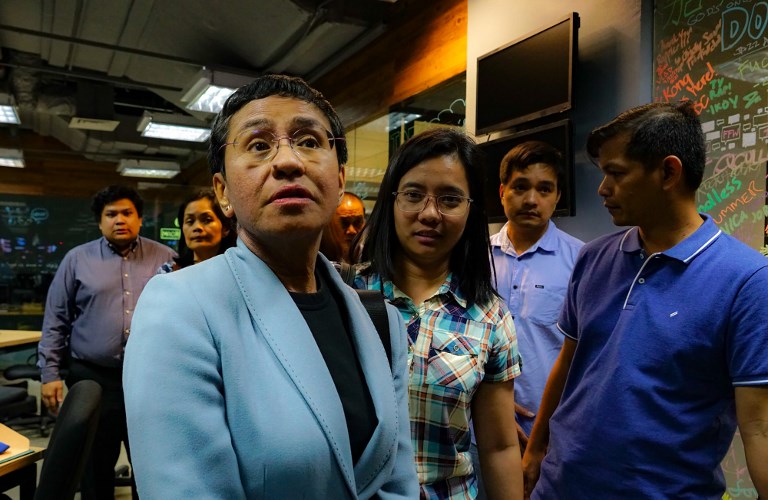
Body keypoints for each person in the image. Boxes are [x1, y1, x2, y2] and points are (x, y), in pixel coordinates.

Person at [122, 74, 419, 499]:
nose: (288, 161)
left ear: (339, 181)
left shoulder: (380, 320)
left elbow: (396, 480)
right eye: (259, 145)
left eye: (310, 141)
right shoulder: (180, 307)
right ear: (223, 194)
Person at [522, 101, 768, 499]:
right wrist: (535, 449)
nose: (602, 189)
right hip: (559, 487)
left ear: (668, 172)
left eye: (615, 174)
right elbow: (569, 364)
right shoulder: (592, 257)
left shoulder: (748, 281)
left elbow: (760, 427)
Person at [355, 128, 524, 499]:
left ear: (471, 208)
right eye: (414, 195)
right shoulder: (348, 295)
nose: (430, 214)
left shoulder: (489, 317)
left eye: (450, 199)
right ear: (392, 200)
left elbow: (499, 447)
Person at [38, 184, 176, 499]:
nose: (119, 220)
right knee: (95, 465)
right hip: (93, 377)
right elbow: (56, 320)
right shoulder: (76, 259)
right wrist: (50, 375)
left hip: (151, 379)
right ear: (100, 222)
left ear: (139, 219)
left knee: (152, 461)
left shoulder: (166, 258)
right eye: (110, 214)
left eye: (127, 213)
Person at [491, 141, 583, 443]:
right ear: (503, 191)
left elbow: (586, 354)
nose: (532, 199)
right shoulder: (474, 260)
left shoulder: (581, 261)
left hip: (552, 434)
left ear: (557, 197)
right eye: (520, 187)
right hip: (480, 424)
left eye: (544, 189)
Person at [158, 188, 236, 272]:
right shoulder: (169, 272)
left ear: (225, 228)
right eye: (190, 221)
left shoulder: (238, 270)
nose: (197, 227)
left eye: (207, 220)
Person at [321, 191, 366, 263]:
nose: (352, 231)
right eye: (345, 223)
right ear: (328, 224)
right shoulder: (315, 260)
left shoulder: (372, 258)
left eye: (357, 222)